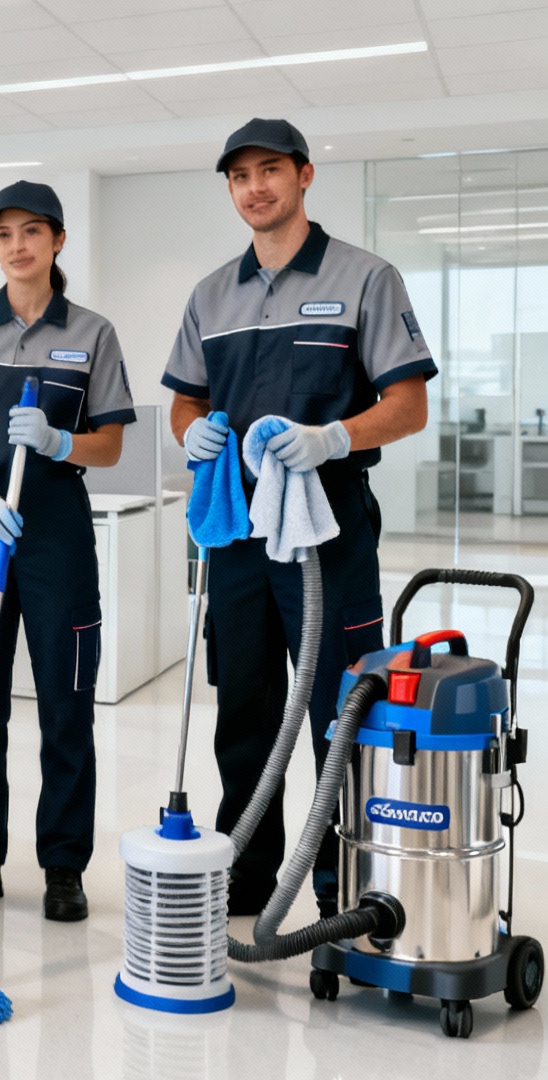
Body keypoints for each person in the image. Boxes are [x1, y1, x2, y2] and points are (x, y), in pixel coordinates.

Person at [164, 119, 433, 917]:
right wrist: (192, 431)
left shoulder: (365, 278)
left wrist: (335, 437)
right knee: (244, 710)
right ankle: (245, 873)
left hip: (332, 528)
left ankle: (339, 887)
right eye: (240, 176)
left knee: (339, 711)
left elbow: (409, 404)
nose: (255, 187)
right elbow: (185, 399)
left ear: (305, 176)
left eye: (270, 170)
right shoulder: (211, 294)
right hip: (241, 530)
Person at [0, 181, 136, 922]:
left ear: (58, 240)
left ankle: (63, 866)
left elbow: (108, 445)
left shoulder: (94, 333)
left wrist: (57, 440)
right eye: (3, 233)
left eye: (32, 231)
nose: (17, 245)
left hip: (57, 536)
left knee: (65, 708)